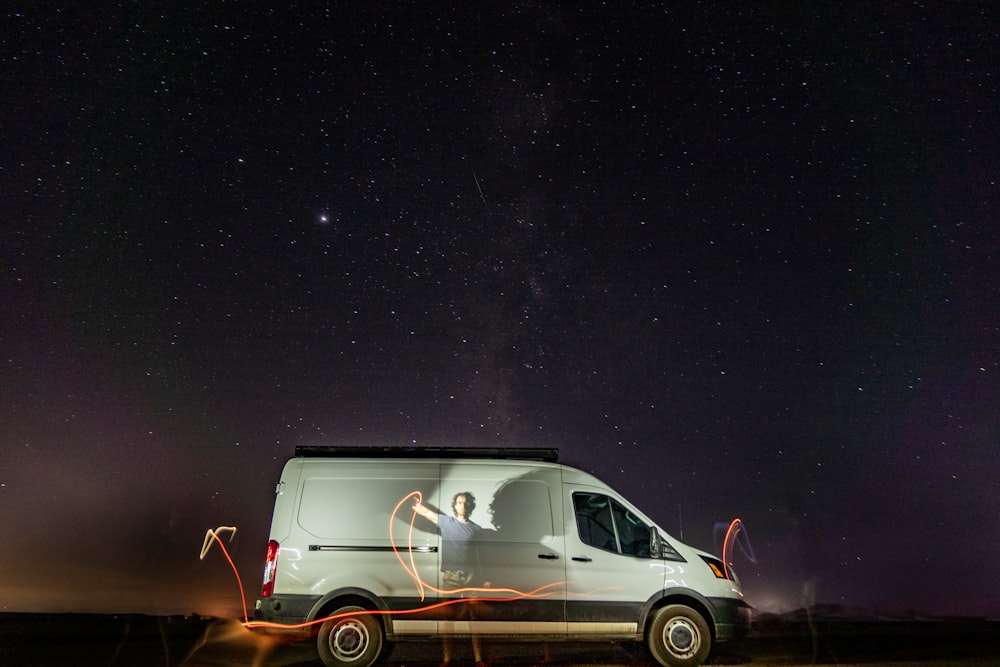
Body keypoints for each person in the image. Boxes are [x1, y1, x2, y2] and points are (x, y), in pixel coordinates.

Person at [414, 491, 487, 667]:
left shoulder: (476, 529)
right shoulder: (447, 523)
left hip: (471, 577)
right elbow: (427, 514)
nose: (463, 505)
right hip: (451, 577)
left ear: (471, 506)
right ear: (455, 506)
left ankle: (479, 659)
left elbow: (479, 556)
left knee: (474, 619)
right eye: (460, 502)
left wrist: (484, 577)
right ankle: (447, 659)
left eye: (466, 503)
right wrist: (417, 506)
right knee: (449, 619)